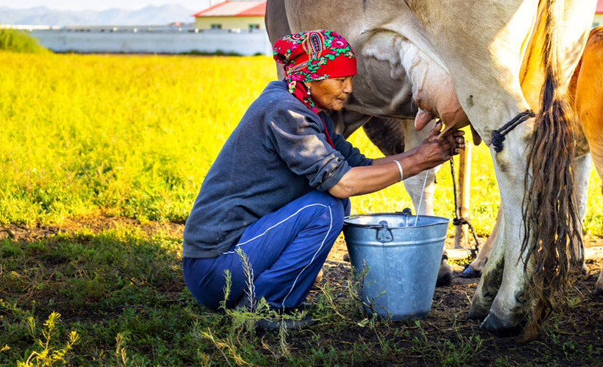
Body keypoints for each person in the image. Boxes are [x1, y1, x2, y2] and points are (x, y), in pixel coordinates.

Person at [182, 29, 463, 315]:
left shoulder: (306, 111)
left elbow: (357, 166)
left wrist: (424, 154)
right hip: (215, 268)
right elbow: (343, 183)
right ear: (309, 77)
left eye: (350, 78)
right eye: (340, 79)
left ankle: (271, 296)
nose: (349, 88)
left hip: (235, 256)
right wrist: (416, 162)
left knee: (334, 203)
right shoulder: (285, 113)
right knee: (327, 208)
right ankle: (267, 306)